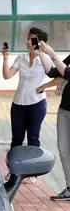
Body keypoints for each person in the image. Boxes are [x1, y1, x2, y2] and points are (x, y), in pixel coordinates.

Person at [2, 27, 54, 149]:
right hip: (18, 104)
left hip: (37, 104)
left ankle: (33, 162)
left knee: (33, 139)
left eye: (32, 39)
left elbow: (58, 77)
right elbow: (7, 75)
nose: (28, 42)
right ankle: (14, 161)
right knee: (16, 139)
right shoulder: (21, 57)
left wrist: (44, 86)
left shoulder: (45, 60)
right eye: (28, 39)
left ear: (40, 43)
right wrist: (5, 58)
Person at [37, 40, 70, 201]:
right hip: (64, 110)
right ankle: (69, 187)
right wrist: (41, 54)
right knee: (63, 150)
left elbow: (68, 73)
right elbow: (53, 72)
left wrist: (52, 54)